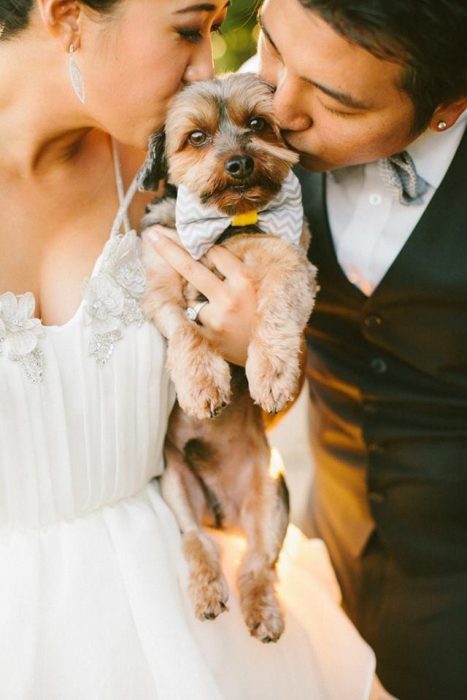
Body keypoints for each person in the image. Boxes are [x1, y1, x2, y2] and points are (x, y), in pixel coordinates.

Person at [0, 0, 391, 697]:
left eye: (214, 30)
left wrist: (249, 352)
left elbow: (254, 412)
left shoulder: (175, 170)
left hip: (186, 589)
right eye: (188, 29)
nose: (207, 65)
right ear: (65, 16)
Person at [151, 1, 467, 699]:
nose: (284, 109)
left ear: (446, 106)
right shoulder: (237, 133)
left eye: (331, 99)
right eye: (272, 48)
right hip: (328, 555)